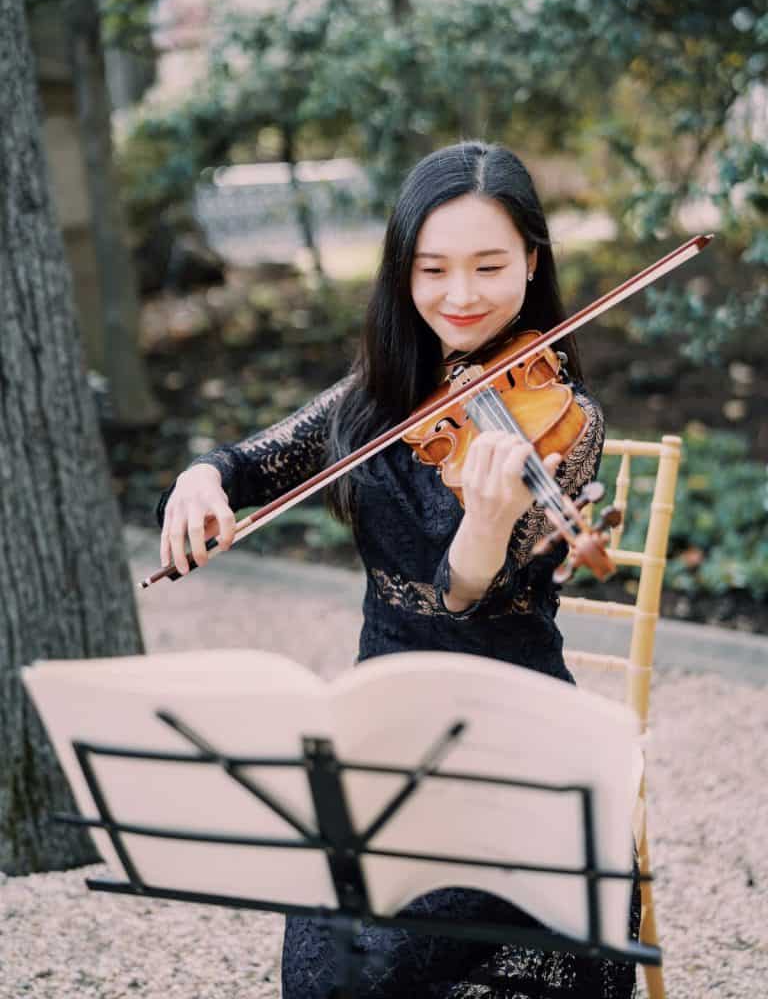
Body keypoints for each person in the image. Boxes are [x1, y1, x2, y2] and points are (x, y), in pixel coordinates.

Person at [157, 141, 639, 998]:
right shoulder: (377, 394)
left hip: (513, 738)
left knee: (436, 965)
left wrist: (488, 524)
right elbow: (259, 461)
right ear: (402, 275)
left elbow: (462, 594)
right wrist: (203, 477)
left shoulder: (567, 422)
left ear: (533, 262)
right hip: (384, 728)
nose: (461, 296)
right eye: (433, 270)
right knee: (329, 966)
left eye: (490, 265)